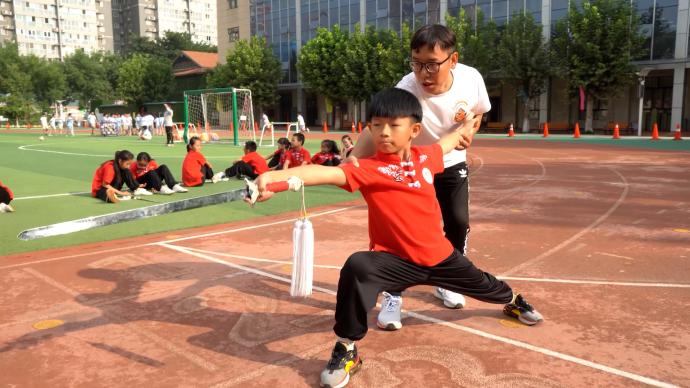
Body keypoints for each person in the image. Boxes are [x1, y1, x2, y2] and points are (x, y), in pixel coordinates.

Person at [254, 88, 542, 388]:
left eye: (393, 125)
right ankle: (347, 347)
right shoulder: (367, 169)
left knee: (484, 284)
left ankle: (512, 299)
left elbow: (451, 140)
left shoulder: (426, 157)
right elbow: (323, 174)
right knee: (358, 266)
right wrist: (272, 180)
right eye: (376, 125)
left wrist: (469, 122)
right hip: (393, 262)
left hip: (440, 258)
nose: (383, 132)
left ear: (414, 130)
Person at [347, 24, 491, 328]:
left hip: (449, 160)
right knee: (398, 233)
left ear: (452, 60)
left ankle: (449, 280)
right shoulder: (406, 88)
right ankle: (393, 295)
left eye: (431, 64)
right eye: (416, 63)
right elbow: (377, 126)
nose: (423, 72)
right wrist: (353, 159)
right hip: (409, 167)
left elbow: (478, 112)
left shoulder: (471, 79)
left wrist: (469, 131)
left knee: (458, 221)